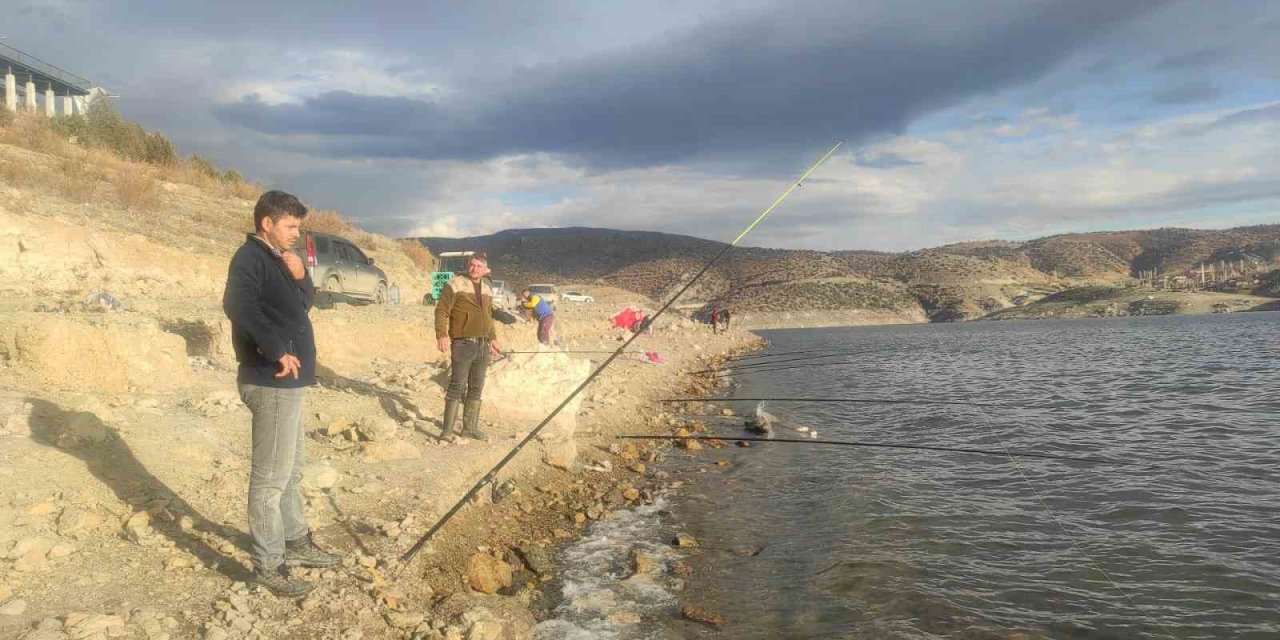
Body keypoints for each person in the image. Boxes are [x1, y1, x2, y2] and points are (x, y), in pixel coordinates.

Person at [222, 191, 340, 598]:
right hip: (269, 379)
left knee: (291, 471)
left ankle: (295, 542)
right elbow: (237, 304)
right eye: (290, 226)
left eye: (298, 226)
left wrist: (300, 276)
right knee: (270, 480)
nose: (296, 233)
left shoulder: (279, 260)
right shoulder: (250, 258)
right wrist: (275, 349)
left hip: (290, 383)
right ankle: (269, 564)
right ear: (266, 223)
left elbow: (304, 306)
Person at [436, 253, 503, 441]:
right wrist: (441, 334)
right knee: (457, 385)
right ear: (468, 265)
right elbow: (441, 310)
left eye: (478, 266)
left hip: (483, 344)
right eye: (472, 265)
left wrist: (493, 338)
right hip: (463, 342)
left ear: (485, 269)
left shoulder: (487, 287)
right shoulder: (455, 283)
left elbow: (488, 315)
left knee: (476, 387)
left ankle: (469, 428)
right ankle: (447, 431)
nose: (474, 269)